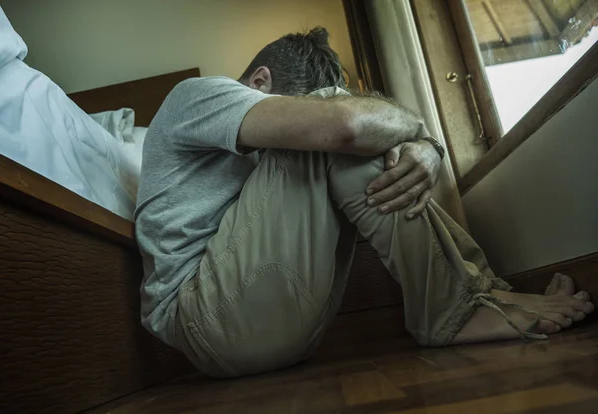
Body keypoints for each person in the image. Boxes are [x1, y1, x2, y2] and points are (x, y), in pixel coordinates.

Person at [134, 27, 594, 377]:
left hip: (255, 319)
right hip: (203, 315)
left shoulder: (263, 186)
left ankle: (484, 294)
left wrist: (426, 147)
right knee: (336, 117)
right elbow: (346, 125)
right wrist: (419, 132)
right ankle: (454, 313)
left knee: (353, 132)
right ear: (259, 79)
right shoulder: (196, 96)